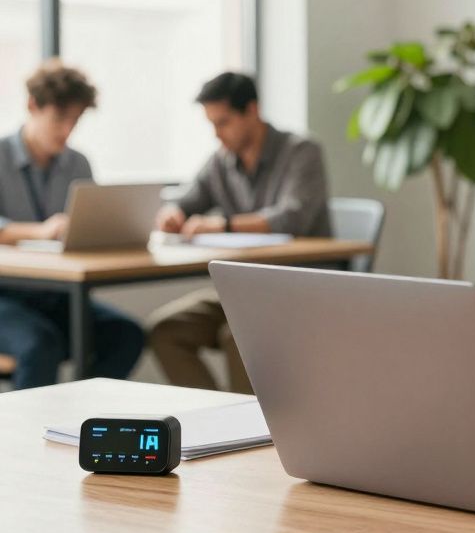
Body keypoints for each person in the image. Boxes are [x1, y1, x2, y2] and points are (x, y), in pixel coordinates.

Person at [147, 72, 331, 394]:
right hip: (242, 288)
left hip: (298, 289)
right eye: (212, 124)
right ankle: (215, 417)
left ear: (252, 111)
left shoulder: (301, 151)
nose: (217, 134)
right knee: (164, 329)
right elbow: (188, 200)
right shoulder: (221, 162)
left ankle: (253, 432)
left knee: (237, 335)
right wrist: (173, 214)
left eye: (223, 122)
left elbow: (293, 217)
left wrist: (224, 224)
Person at [0, 59, 144, 388]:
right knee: (41, 345)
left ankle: (79, 418)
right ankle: (26, 438)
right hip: (6, 294)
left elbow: (88, 226)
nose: (67, 130)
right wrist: (39, 231)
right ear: (32, 106)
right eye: (59, 118)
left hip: (57, 293)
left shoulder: (77, 164)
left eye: (75, 120)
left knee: (126, 334)